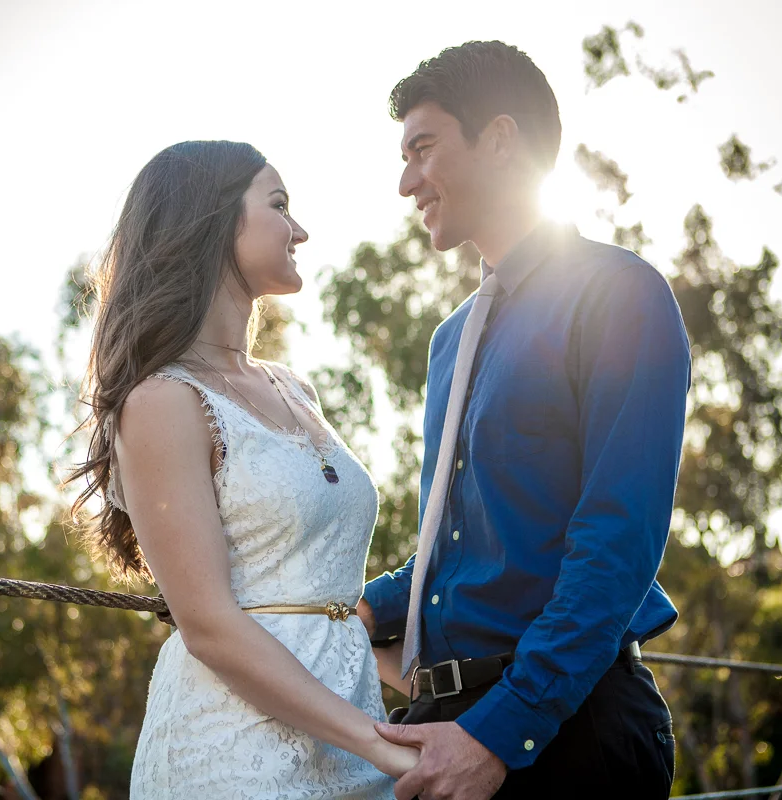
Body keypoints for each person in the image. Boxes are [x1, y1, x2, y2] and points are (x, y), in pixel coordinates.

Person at [358, 41, 690, 799]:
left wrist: (504, 733)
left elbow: (615, 540)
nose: (407, 180)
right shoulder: (449, 343)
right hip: (442, 727)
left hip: (563, 737)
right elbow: (457, 556)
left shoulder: (619, 295)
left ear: (500, 139)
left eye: (423, 148)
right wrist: (324, 608)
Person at [68, 140, 414, 798]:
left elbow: (322, 596)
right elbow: (209, 627)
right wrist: (387, 747)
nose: (300, 230)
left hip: (353, 738)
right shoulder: (163, 400)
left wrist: (442, 695)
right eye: (279, 205)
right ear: (214, 220)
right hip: (232, 757)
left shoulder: (294, 390)